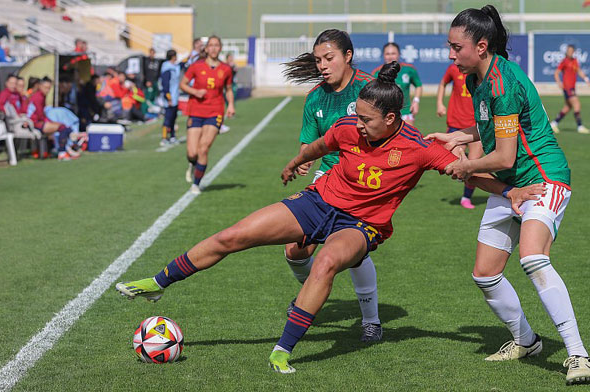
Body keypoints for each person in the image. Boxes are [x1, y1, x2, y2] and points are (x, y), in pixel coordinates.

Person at [116, 61, 544, 374]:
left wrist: (510, 190)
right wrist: (293, 163)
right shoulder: (348, 128)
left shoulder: (417, 147)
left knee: (326, 262)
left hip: (363, 225)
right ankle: (157, 284)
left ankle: (283, 349)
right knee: (235, 235)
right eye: (356, 115)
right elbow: (319, 147)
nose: (356, 124)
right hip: (317, 202)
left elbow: (464, 171)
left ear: (391, 119)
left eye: (367, 119)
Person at [427, 5, 590, 385]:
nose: (450, 55)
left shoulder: (503, 83)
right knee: (485, 275)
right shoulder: (477, 79)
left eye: (456, 47)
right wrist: (460, 136)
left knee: (533, 257)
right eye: (448, 46)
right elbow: (493, 126)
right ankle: (526, 341)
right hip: (513, 185)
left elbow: (503, 154)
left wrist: (464, 167)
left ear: (482, 46)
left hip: (543, 179)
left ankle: (579, 355)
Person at [282, 28, 382, 341]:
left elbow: (392, 132)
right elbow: (308, 144)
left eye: (329, 58)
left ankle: (372, 321)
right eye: (318, 60)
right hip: (327, 177)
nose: (323, 65)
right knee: (294, 251)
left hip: (366, 180)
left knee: (352, 251)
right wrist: (303, 160)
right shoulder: (315, 98)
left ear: (347, 56)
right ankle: (314, 290)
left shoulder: (368, 89)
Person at [179, 35, 234, 194]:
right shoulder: (196, 66)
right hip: (196, 110)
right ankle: (193, 163)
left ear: (220, 48)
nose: (214, 48)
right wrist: (195, 91)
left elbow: (228, 89)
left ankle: (196, 184)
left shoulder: (225, 69)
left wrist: (230, 104)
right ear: (206, 48)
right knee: (192, 152)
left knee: (203, 148)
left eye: (217, 45)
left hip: (215, 111)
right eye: (211, 45)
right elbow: (183, 84)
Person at [437, 63, 482, 209]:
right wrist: (439, 104)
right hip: (456, 122)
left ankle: (466, 197)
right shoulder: (452, 69)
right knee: (455, 163)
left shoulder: (480, 70)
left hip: (476, 125)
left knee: (472, 165)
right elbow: (443, 83)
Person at [371, 43, 422, 125]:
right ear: (383, 55)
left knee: (407, 137)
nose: (390, 57)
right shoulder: (377, 73)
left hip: (405, 112)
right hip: (385, 114)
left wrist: (416, 101)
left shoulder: (409, 70)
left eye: (393, 53)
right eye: (387, 54)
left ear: (399, 54)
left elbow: (418, 86)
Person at [27, 77, 75, 160]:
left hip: (38, 122)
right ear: (40, 86)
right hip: (35, 123)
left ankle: (55, 150)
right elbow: (40, 115)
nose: (48, 90)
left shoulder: (41, 95)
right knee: (63, 128)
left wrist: (50, 122)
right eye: (46, 88)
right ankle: (62, 153)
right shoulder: (38, 97)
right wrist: (50, 122)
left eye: (49, 88)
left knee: (64, 127)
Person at [550, 44, 590, 134]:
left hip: (572, 87)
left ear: (574, 52)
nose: (570, 53)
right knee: (577, 104)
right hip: (568, 88)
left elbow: (579, 71)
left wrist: (586, 79)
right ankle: (580, 126)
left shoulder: (575, 61)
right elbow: (556, 73)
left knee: (568, 107)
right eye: (568, 51)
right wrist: (559, 83)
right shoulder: (565, 61)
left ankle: (553, 123)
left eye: (571, 51)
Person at [159, 49, 180, 145]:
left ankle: (172, 136)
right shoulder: (167, 68)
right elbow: (165, 84)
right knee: (168, 118)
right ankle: (164, 138)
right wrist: (169, 98)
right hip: (170, 98)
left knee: (173, 118)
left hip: (175, 97)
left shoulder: (175, 66)